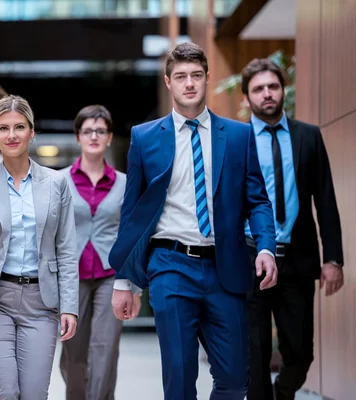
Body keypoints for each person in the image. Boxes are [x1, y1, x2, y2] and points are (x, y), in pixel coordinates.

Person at [108, 42, 278, 400]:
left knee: (234, 381)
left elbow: (258, 200)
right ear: (169, 82)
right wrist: (125, 280)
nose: (189, 84)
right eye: (181, 76)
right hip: (170, 266)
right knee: (181, 378)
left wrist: (265, 246)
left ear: (206, 79)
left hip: (225, 268)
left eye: (196, 76)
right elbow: (133, 213)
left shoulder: (237, 135)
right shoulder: (144, 137)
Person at [0, 95, 79, 400]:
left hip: (41, 302)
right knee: (4, 394)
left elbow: (66, 250)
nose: (12, 135)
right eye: (4, 128)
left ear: (31, 132)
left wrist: (70, 307)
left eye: (19, 127)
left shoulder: (57, 183)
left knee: (35, 394)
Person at [241, 58, 344, 400]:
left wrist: (333, 259)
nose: (267, 94)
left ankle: (282, 393)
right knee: (253, 354)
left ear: (283, 91)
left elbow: (325, 199)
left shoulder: (308, 136)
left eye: (273, 86)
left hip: (297, 259)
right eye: (258, 89)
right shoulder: (236, 140)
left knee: (300, 354)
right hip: (249, 256)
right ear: (247, 98)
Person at [59, 105, 130, 400]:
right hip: (70, 276)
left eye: (100, 131)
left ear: (109, 137)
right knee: (72, 352)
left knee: (106, 348)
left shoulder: (125, 183)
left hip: (109, 277)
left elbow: (129, 237)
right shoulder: (59, 181)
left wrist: (132, 287)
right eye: (87, 131)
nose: (93, 136)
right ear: (78, 137)